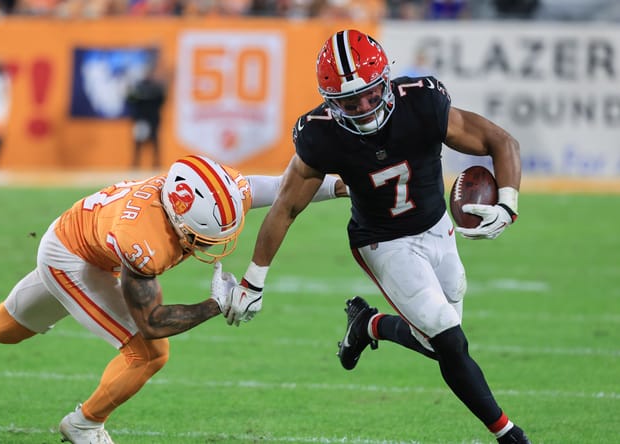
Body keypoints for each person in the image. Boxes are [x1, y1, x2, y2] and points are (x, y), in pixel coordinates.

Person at [0, 155, 348, 444]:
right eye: (201, 238)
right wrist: (215, 305)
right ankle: (84, 424)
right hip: (74, 258)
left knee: (4, 327)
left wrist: (347, 186)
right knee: (148, 351)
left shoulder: (213, 193)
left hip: (81, 235)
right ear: (180, 222)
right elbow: (154, 322)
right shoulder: (145, 240)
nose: (208, 247)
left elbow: (285, 187)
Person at [222, 29, 530, 444]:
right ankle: (510, 435)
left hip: (439, 228)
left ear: (386, 80)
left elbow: (500, 140)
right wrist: (252, 280)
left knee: (441, 343)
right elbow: (286, 205)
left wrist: (507, 205)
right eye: (351, 103)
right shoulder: (320, 133)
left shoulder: (421, 100)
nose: (364, 109)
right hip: (382, 242)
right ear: (331, 104)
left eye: (370, 95)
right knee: (450, 341)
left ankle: (369, 325)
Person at [125, 63, 167, 170]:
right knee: (138, 142)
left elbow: (161, 100)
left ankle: (156, 163)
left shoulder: (156, 87)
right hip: (141, 119)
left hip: (153, 119)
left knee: (154, 142)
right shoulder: (138, 87)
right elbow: (130, 100)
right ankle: (136, 164)